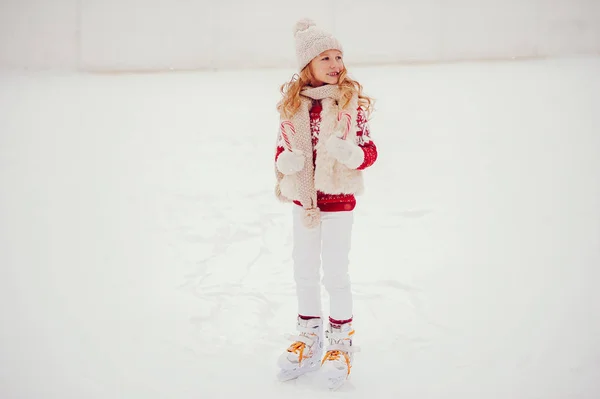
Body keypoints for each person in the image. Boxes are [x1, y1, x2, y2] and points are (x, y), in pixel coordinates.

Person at [273, 18, 378, 388]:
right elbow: (280, 150)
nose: (335, 64)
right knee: (303, 270)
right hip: (304, 202)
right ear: (308, 66)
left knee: (335, 273)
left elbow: (369, 151)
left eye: (338, 57)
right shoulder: (292, 107)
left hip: (338, 203)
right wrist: (284, 163)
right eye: (325, 58)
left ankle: (340, 342)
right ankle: (309, 336)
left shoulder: (349, 105)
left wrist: (352, 154)